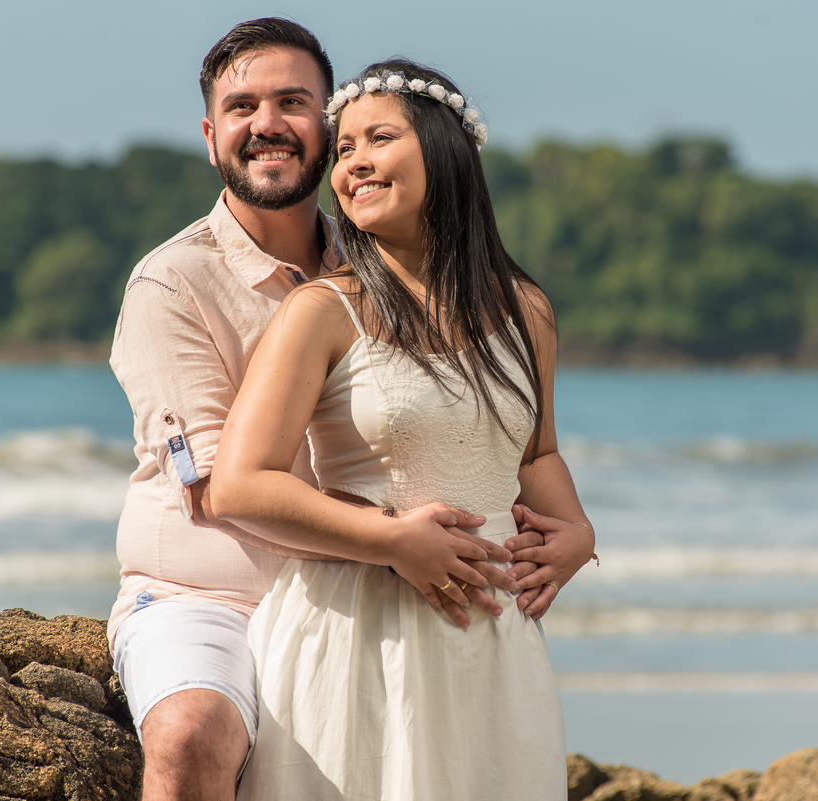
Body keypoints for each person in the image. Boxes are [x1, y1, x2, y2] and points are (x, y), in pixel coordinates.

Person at [106, 18, 594, 801]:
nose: (267, 123)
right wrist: (392, 540)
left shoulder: (398, 264)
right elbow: (216, 483)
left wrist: (575, 532)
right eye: (242, 108)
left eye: (294, 102)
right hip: (223, 594)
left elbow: (527, 449)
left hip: (436, 593)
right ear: (210, 136)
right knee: (193, 729)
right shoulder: (177, 283)